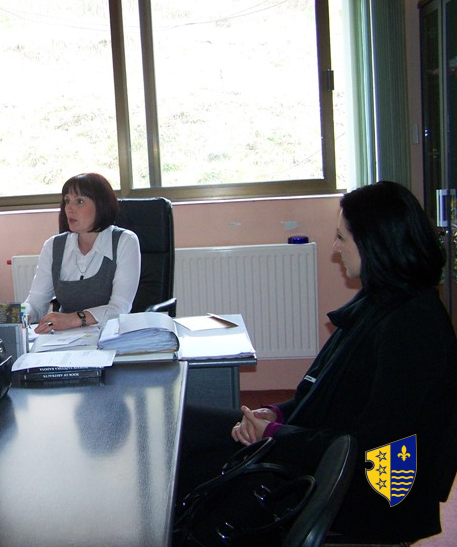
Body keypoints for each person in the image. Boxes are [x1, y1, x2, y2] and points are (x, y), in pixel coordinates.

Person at [177, 181, 457, 544]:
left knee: (186, 460)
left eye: (342, 238)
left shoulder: (413, 328)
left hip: (351, 489)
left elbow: (372, 449)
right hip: (313, 453)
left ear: (374, 243)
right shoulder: (382, 301)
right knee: (178, 422)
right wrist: (275, 414)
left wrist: (274, 435)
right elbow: (325, 395)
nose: (336, 249)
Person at [22, 172, 141, 334]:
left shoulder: (125, 241)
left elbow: (119, 308)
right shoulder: (53, 246)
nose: (69, 209)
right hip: (64, 339)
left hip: (111, 336)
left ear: (101, 206)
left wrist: (72, 319)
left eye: (79, 201)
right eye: (67, 201)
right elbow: (35, 303)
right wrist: (20, 314)